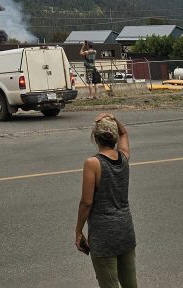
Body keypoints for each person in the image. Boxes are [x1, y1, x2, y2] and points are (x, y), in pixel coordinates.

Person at [76, 114, 136, 288]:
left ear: (95, 137)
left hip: (104, 236)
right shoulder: (123, 157)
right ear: (114, 137)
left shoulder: (93, 163)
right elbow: (125, 134)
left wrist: (78, 231)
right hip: (126, 231)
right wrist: (114, 118)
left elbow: (86, 202)